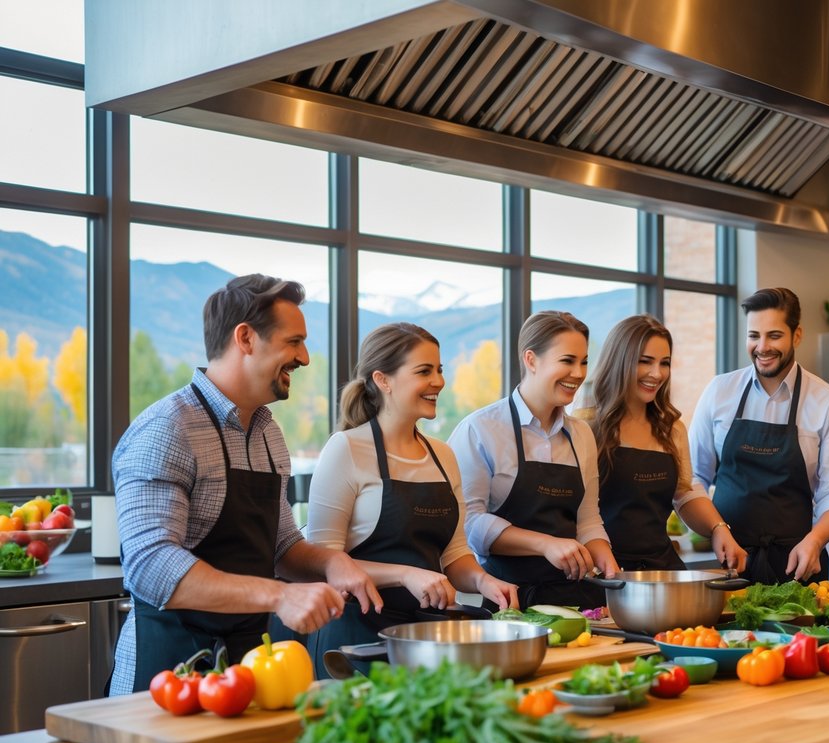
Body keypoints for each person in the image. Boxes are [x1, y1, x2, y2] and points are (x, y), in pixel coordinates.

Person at [109, 274, 382, 695]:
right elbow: (151, 567)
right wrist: (279, 598)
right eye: (294, 342)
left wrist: (330, 563)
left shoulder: (268, 432)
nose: (305, 358)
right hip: (168, 675)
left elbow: (282, 545)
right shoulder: (167, 429)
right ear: (246, 338)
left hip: (249, 669)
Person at [304, 323, 519, 676]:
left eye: (439, 370)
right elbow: (322, 563)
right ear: (383, 380)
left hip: (424, 640)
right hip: (354, 642)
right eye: (424, 371)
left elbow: (454, 555)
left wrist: (483, 581)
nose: (438, 381)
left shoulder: (443, 455)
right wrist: (405, 575)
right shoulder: (346, 450)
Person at [449, 311, 620, 609]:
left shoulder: (581, 434)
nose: (579, 373)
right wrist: (545, 544)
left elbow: (588, 519)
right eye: (567, 361)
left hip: (577, 601)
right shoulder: (480, 429)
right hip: (507, 601)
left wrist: (607, 561)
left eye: (583, 362)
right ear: (531, 360)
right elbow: (469, 524)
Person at [688, 288, 829, 584]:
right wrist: (716, 529)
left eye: (774, 336)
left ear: (797, 335)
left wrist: (815, 540)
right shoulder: (719, 391)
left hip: (800, 566)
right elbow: (691, 478)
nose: (762, 347)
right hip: (728, 563)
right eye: (754, 335)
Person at [579, 314, 747, 572]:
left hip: (662, 571)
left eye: (664, 363)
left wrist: (718, 529)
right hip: (602, 571)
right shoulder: (584, 427)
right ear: (619, 361)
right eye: (645, 362)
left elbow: (685, 492)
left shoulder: (671, 429)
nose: (657, 374)